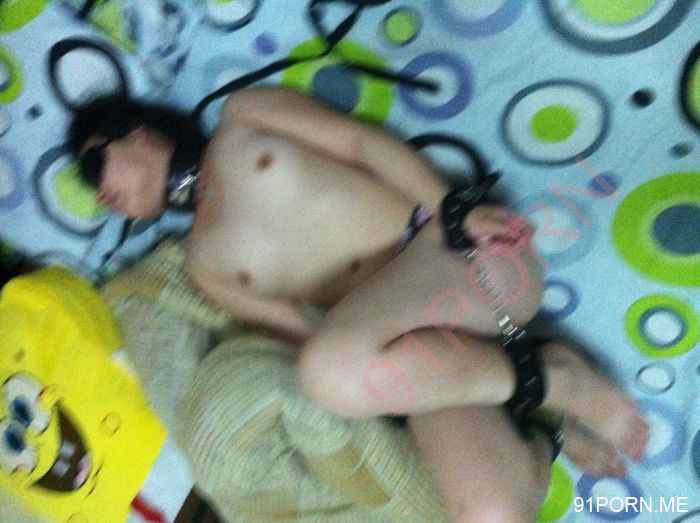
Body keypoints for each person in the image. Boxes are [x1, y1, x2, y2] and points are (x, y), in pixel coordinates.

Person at [69, 86, 648, 522]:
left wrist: (456, 210)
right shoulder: (202, 265)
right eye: (92, 193)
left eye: (96, 167)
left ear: (138, 132)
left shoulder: (241, 118)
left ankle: (558, 379)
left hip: (464, 262)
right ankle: (544, 420)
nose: (101, 197)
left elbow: (360, 143)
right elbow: (301, 330)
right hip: (425, 358)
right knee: (490, 514)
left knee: (327, 370)